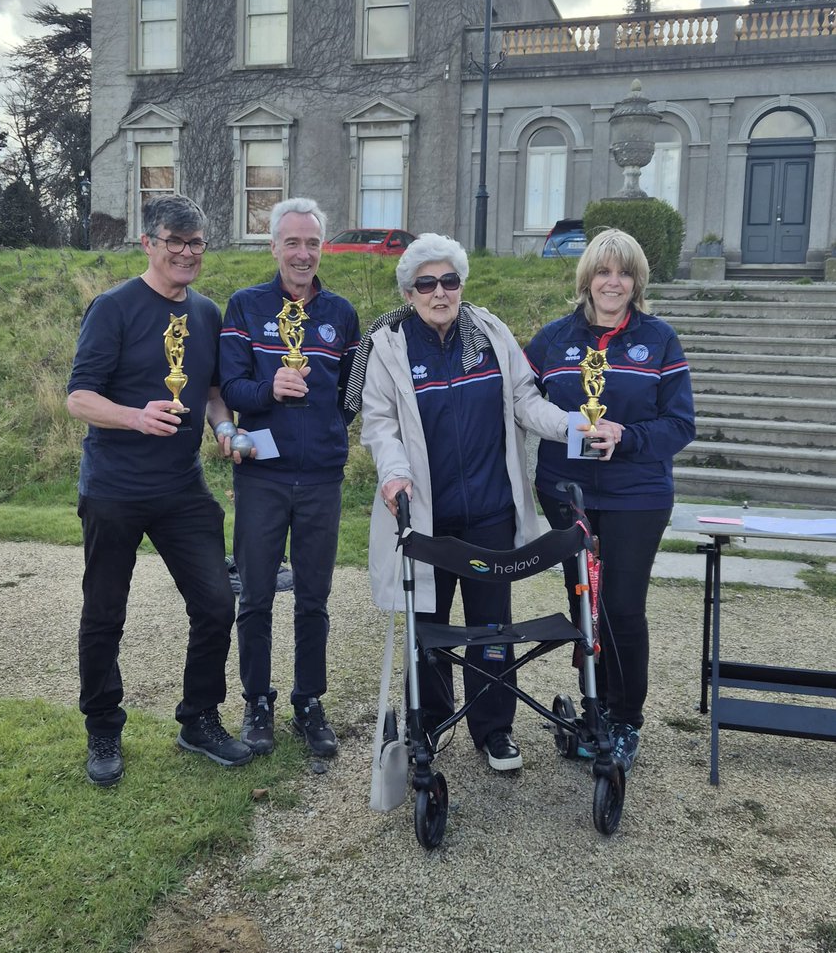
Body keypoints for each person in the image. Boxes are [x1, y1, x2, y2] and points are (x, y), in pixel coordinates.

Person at [353, 233, 616, 772]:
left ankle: (493, 729)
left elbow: (525, 401)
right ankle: (430, 725)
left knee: (493, 630)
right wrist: (394, 474)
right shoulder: (390, 346)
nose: (439, 292)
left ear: (461, 285)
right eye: (427, 283)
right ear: (410, 292)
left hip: (491, 514)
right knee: (428, 628)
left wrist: (572, 424)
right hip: (427, 516)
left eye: (449, 280)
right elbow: (380, 425)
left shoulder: (491, 333)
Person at [67, 194, 254, 786]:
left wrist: (223, 427)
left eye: (196, 242)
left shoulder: (206, 313)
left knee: (217, 604)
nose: (186, 252)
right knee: (104, 614)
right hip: (115, 487)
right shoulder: (114, 308)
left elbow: (213, 389)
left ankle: (198, 718)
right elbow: (78, 398)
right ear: (148, 243)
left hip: (182, 489)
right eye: (174, 241)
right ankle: (103, 726)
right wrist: (133, 416)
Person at [525, 227, 696, 777]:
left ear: (637, 281)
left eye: (623, 272)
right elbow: (518, 398)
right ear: (587, 278)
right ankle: (593, 706)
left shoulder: (660, 339)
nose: (612, 282)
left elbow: (681, 423)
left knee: (621, 606)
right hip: (566, 491)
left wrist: (629, 436)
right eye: (602, 271)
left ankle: (626, 717)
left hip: (636, 494)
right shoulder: (552, 339)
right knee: (585, 605)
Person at [219, 198, 361, 758]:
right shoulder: (247, 307)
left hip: (322, 477)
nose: (303, 254)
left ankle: (308, 700)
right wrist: (268, 391)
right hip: (262, 476)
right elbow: (231, 388)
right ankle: (258, 700)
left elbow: (350, 395)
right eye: (293, 243)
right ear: (274, 246)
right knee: (254, 595)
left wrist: (325, 432)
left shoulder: (341, 313)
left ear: (321, 249)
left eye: (312, 243)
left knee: (314, 596)